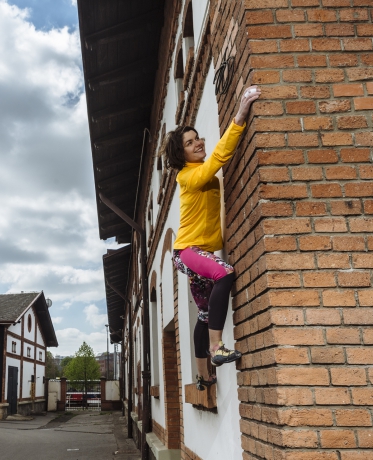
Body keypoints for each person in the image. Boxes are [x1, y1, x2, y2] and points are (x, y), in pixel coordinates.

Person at [164, 85, 261, 386]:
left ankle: (203, 376)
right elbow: (218, 158)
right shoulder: (188, 176)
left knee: (204, 315)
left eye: (198, 138)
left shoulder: (197, 172)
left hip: (200, 252)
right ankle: (216, 347)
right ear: (181, 153)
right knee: (225, 273)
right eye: (190, 142)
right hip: (188, 252)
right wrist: (240, 116)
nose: (199, 143)